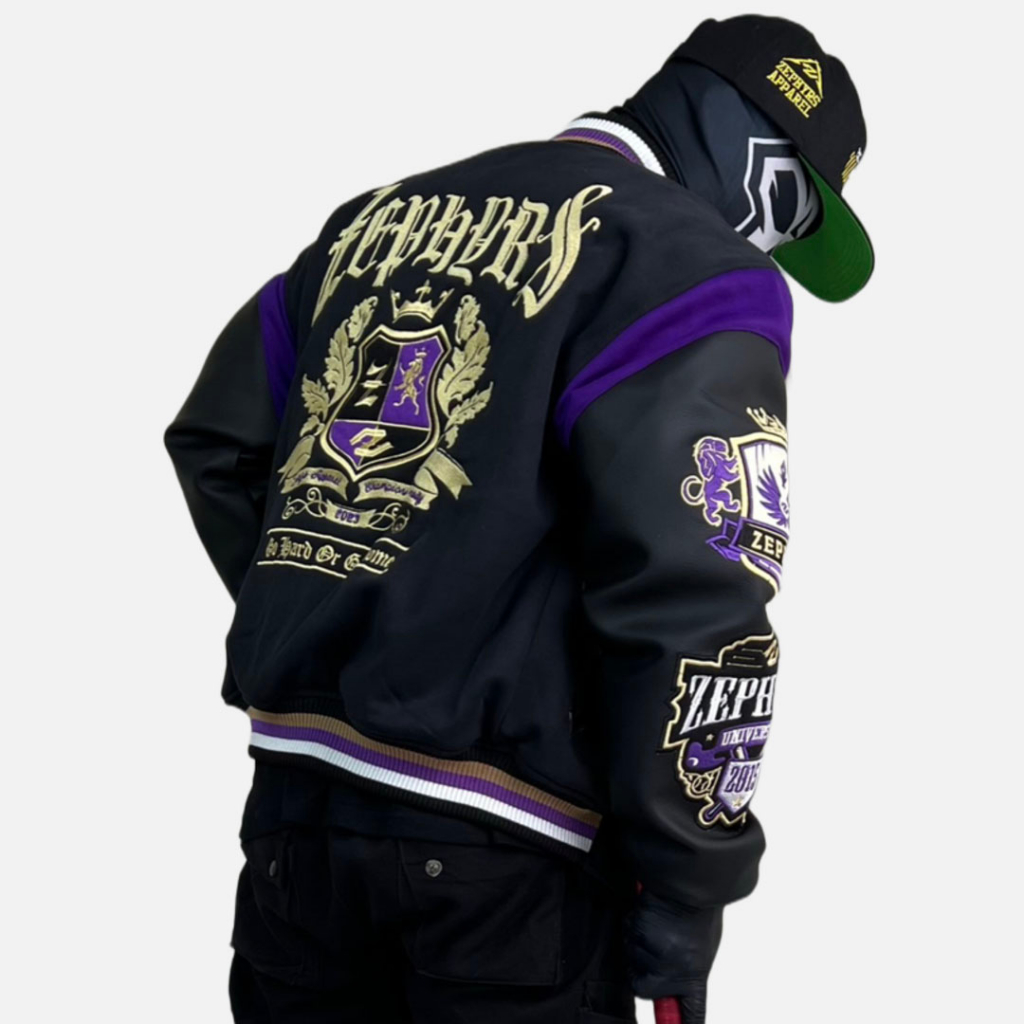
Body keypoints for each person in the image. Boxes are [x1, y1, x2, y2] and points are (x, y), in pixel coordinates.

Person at [165, 15, 872, 1024]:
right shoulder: (683, 265)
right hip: (509, 868)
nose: (779, 245)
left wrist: (354, 616)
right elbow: (694, 592)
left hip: (294, 831)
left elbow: (220, 445)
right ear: (755, 151)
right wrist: (688, 882)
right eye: (797, 212)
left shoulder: (374, 223)